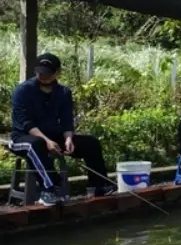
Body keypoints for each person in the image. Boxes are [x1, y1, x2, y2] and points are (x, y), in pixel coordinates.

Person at [10, 53, 113, 206]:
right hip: (23, 137)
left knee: (90, 143)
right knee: (36, 144)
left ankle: (100, 186)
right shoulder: (22, 91)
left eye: (48, 73)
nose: (43, 76)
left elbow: (66, 121)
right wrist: (47, 141)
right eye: (40, 72)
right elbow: (25, 123)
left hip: (52, 135)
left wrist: (68, 139)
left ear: (57, 72)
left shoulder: (63, 92)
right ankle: (49, 190)